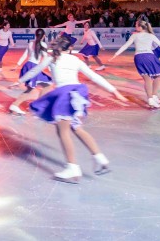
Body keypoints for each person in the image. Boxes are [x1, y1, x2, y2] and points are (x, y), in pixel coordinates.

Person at [12, 37, 127, 183]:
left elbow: (35, 70)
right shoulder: (75, 60)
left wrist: (19, 81)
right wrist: (114, 91)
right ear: (70, 48)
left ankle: (72, 168)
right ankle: (99, 158)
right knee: (76, 128)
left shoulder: (52, 58)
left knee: (63, 131)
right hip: (76, 94)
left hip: (63, 95)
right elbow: (94, 76)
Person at [109, 19, 160, 109]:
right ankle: (151, 98)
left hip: (139, 58)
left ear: (140, 27)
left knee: (152, 77)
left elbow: (125, 46)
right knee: (156, 76)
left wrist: (115, 55)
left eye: (136, 25)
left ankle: (153, 97)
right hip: (149, 57)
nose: (135, 27)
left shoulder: (135, 36)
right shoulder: (150, 36)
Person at [9, 28, 52, 114]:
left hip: (27, 66)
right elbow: (46, 59)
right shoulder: (43, 44)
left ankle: (15, 105)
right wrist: (51, 70)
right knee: (47, 85)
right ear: (44, 36)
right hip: (34, 67)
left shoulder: (31, 43)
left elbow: (25, 55)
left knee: (31, 89)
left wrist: (17, 65)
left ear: (35, 35)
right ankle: (36, 105)